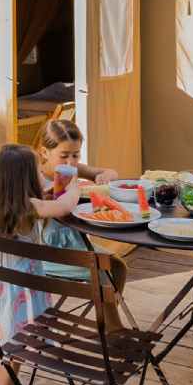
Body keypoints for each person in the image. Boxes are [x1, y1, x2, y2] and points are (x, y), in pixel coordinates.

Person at [0, 144, 81, 385]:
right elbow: (65, 206)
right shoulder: (30, 206)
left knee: (3, 347)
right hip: (20, 295)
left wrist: (50, 191)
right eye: (38, 173)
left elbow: (44, 201)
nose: (42, 177)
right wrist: (74, 187)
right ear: (25, 180)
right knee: (17, 350)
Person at [33, 120, 129, 330]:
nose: (70, 161)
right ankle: (113, 328)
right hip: (47, 250)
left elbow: (110, 172)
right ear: (45, 152)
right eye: (64, 155)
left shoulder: (72, 169)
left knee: (118, 266)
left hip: (73, 242)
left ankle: (107, 316)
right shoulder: (36, 176)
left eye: (76, 155)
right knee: (107, 269)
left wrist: (104, 176)